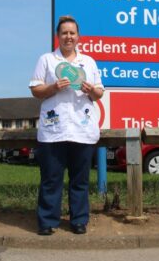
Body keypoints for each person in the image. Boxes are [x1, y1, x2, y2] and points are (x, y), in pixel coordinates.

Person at [29, 15, 104, 236]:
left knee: (79, 180)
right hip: (54, 129)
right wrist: (54, 87)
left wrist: (91, 90)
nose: (68, 37)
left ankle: (78, 220)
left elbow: (99, 92)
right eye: (64, 33)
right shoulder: (46, 60)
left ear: (78, 36)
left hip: (82, 129)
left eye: (72, 33)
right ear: (58, 36)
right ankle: (47, 221)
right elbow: (35, 90)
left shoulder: (88, 62)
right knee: (51, 179)